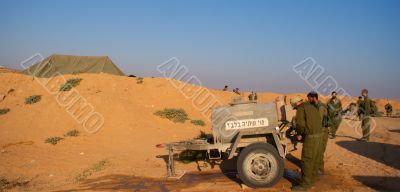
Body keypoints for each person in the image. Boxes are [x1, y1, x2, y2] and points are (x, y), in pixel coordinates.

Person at [290, 96, 323, 191]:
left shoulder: (301, 109)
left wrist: (299, 134)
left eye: (294, 107)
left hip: (311, 138)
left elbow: (301, 124)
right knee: (314, 160)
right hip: (319, 136)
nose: (295, 109)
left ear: (296, 104)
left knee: (307, 161)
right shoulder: (312, 106)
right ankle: (311, 182)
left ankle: (305, 186)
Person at [307, 91, 329, 176]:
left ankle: (320, 170)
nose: (308, 100)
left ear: (313, 98)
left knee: (319, 151)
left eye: (309, 99)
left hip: (322, 131)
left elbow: (318, 121)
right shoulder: (315, 106)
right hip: (319, 130)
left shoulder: (320, 107)